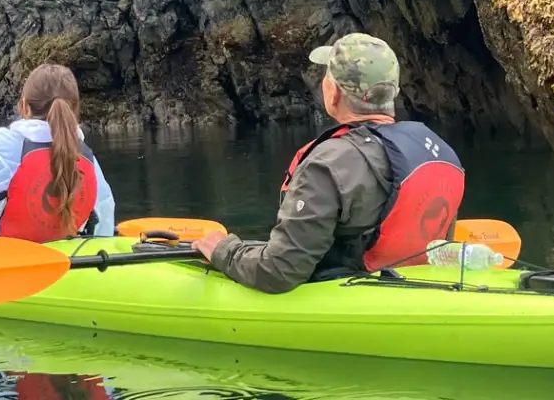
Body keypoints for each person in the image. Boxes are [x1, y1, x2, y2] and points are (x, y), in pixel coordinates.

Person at [192, 33, 464, 293]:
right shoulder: (441, 151)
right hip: (414, 287)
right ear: (392, 93)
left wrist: (224, 251)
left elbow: (278, 271)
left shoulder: (328, 164)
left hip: (351, 297)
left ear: (333, 93)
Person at [0, 63, 118, 241]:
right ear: (75, 110)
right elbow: (104, 223)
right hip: (61, 263)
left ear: (24, 107)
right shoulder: (88, 159)